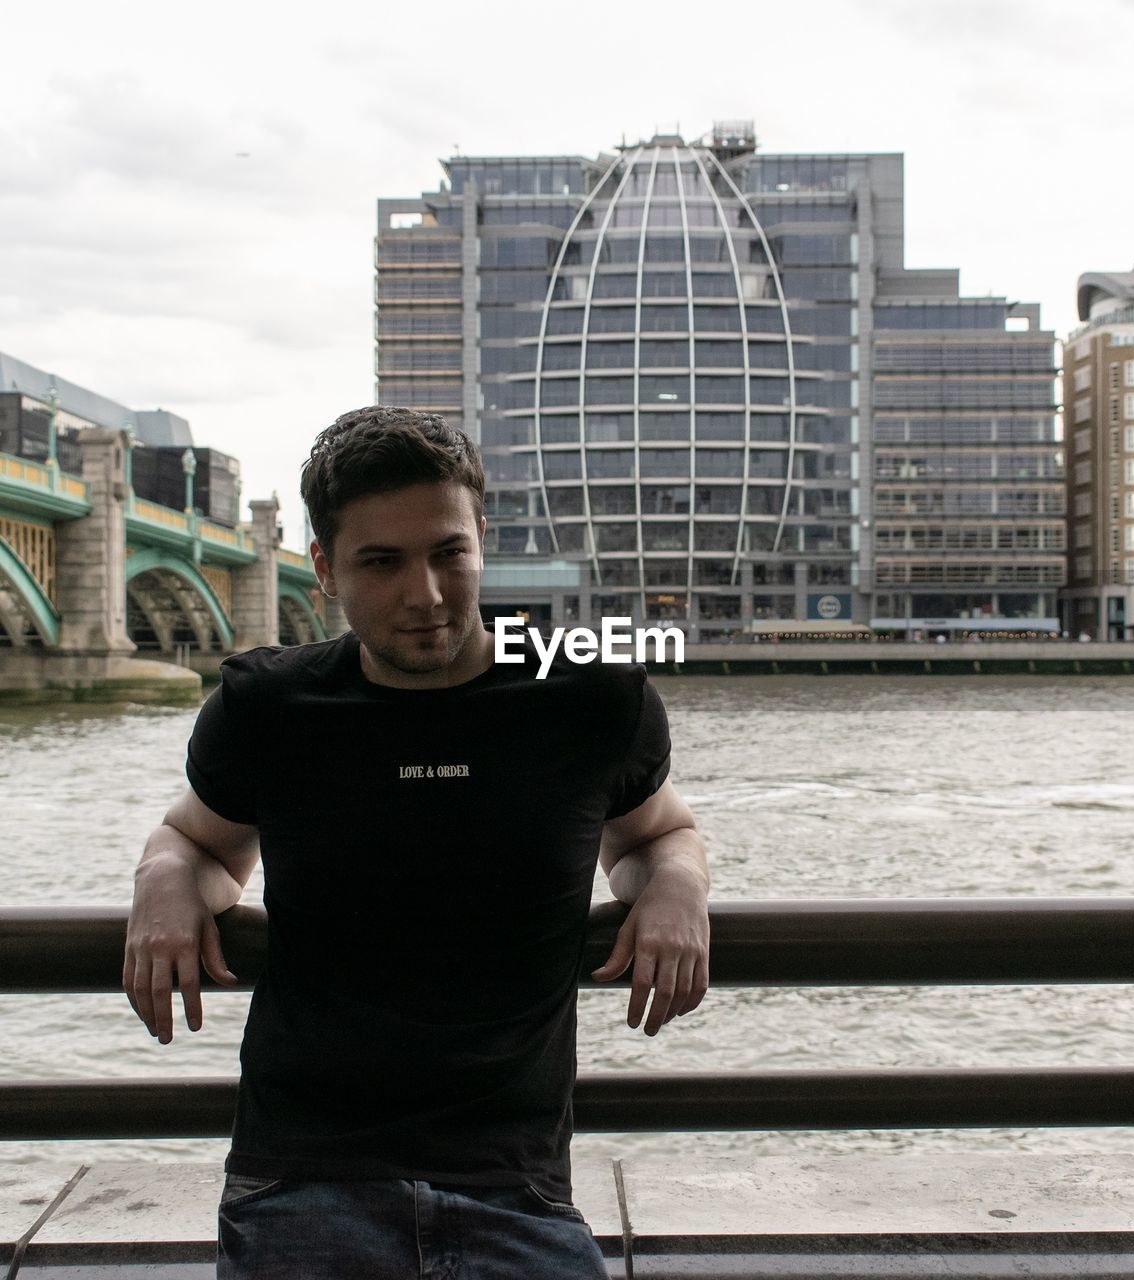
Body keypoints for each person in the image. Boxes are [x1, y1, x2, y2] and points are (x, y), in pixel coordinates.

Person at [123, 406, 711, 1279]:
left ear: (483, 539)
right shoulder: (267, 710)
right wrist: (163, 879)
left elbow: (660, 834)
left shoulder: (590, 702)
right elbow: (197, 842)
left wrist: (677, 888)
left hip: (517, 1191)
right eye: (382, 562)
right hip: (300, 1177)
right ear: (323, 567)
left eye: (448, 553)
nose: (426, 595)